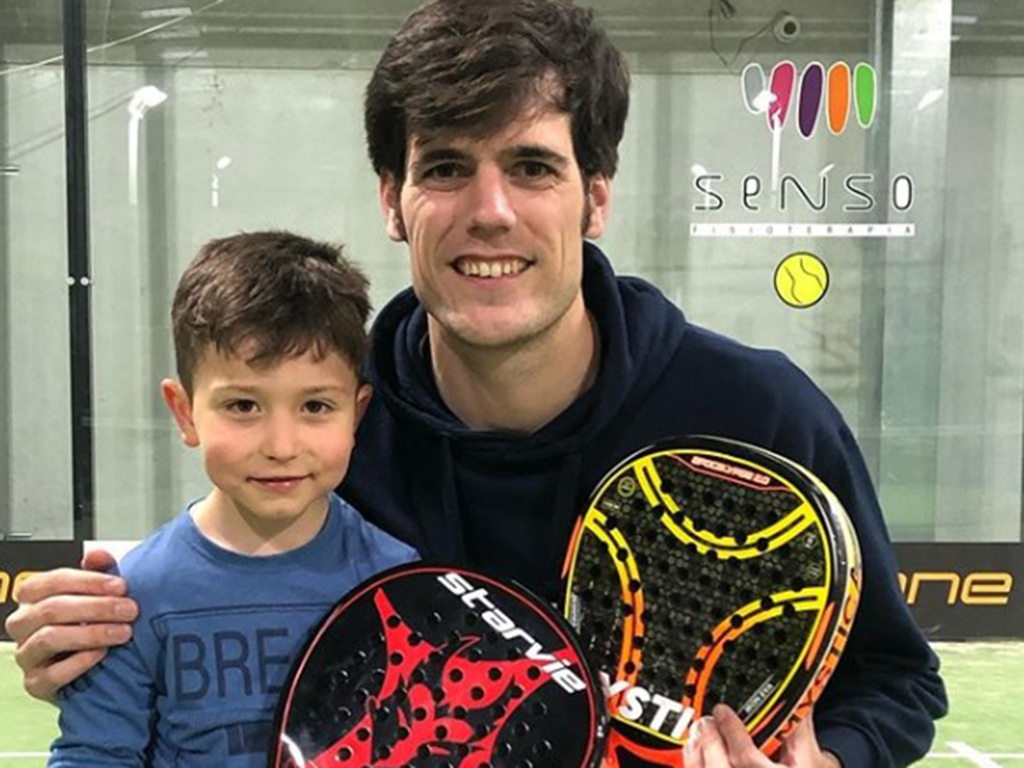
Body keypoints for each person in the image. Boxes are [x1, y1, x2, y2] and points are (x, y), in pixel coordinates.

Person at [8, 1, 946, 766]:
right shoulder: (334, 431)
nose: (489, 212)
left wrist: (832, 763)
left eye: (533, 167)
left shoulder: (760, 413)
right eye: (447, 168)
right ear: (392, 199)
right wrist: (96, 642)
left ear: (597, 196)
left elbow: (898, 684)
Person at [45, 231, 418, 766]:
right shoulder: (133, 596)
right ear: (184, 412)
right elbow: (94, 755)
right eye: (243, 405)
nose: (282, 447)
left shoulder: (399, 583)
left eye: (315, 406)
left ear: (357, 415)